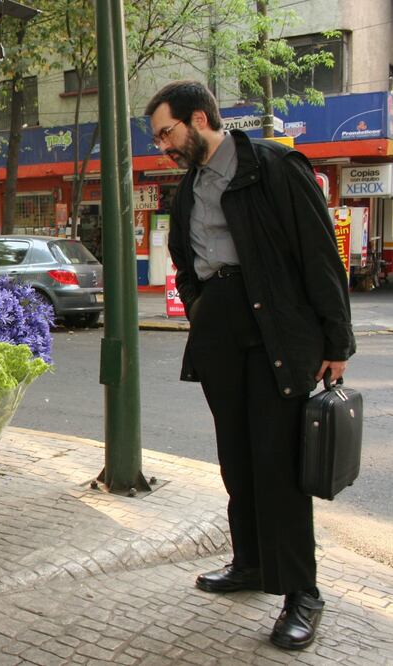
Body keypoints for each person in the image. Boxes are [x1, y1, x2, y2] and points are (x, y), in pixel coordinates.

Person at [144, 81, 355, 650]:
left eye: (167, 132)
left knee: (277, 465)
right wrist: (202, 307)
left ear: (198, 117)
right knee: (236, 458)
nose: (164, 145)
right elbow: (187, 263)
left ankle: (302, 594)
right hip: (221, 336)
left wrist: (337, 342)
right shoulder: (186, 189)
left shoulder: (275, 166)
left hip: (277, 335)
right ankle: (253, 565)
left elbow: (319, 255)